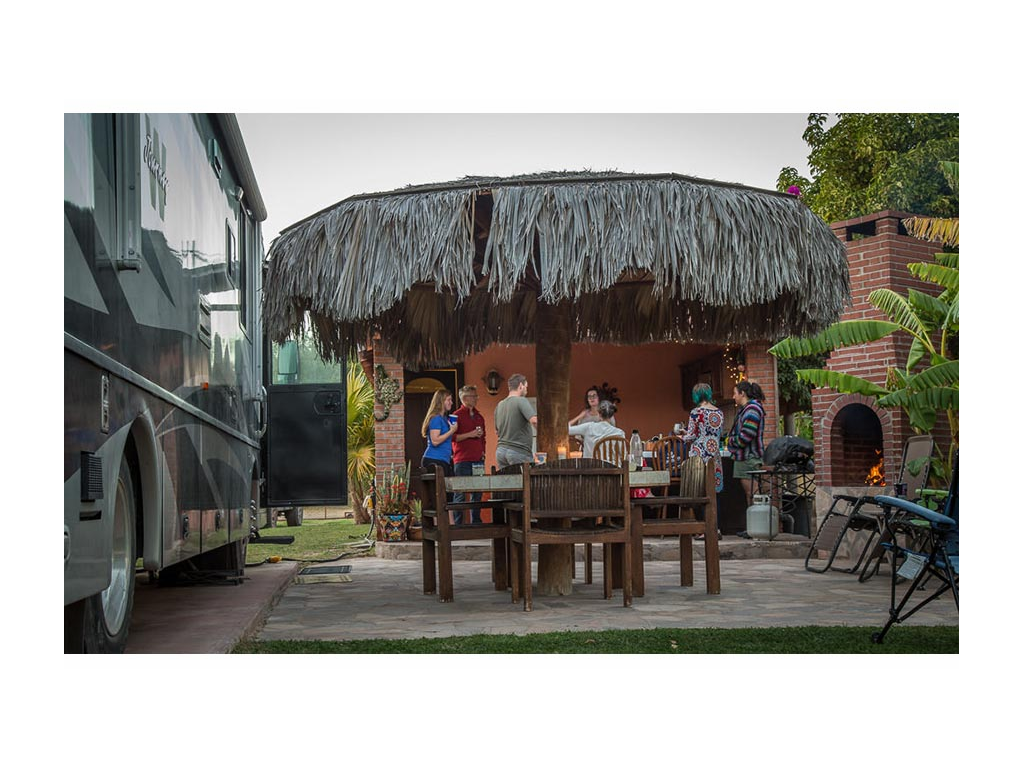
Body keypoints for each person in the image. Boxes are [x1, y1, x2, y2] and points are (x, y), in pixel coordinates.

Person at [681, 382, 725, 540]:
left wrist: (682, 436)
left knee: (698, 491)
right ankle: (716, 528)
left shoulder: (696, 412)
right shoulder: (719, 412)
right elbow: (718, 432)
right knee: (714, 492)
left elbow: (692, 435)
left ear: (696, 396)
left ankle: (702, 529)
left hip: (699, 453)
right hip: (715, 453)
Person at [725, 380, 766, 504]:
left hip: (748, 458)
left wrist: (730, 441)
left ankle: (758, 522)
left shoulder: (752, 410)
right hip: (746, 458)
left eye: (735, 393)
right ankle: (755, 521)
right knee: (751, 494)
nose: (733, 397)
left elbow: (746, 436)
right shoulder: (747, 409)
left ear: (742, 393)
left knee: (752, 494)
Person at [451, 385, 486, 524]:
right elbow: (452, 437)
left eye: (476, 396)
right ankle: (458, 525)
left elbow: (483, 437)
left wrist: (483, 452)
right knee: (460, 493)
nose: (476, 398)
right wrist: (470, 434)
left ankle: (476, 522)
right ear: (465, 398)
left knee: (477, 492)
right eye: (474, 396)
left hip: (478, 460)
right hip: (462, 460)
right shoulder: (456, 416)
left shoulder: (479, 416)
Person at [494, 373, 537, 468]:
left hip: (501, 451)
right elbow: (534, 420)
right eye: (526, 387)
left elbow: (497, 431)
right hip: (519, 451)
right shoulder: (521, 400)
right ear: (521, 386)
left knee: (507, 482)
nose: (526, 390)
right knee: (525, 482)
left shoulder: (499, 405)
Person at [421, 388, 457, 478]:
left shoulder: (444, 418)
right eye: (448, 400)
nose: (451, 402)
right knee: (440, 491)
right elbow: (435, 441)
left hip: (444, 460)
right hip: (434, 460)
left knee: (448, 490)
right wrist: (452, 431)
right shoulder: (436, 418)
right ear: (441, 401)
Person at [568, 385, 616, 449]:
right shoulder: (583, 415)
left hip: (604, 449)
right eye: (589, 396)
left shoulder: (607, 414)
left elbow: (613, 432)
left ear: (599, 397)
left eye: (594, 396)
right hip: (586, 448)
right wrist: (579, 416)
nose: (591, 398)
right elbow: (576, 435)